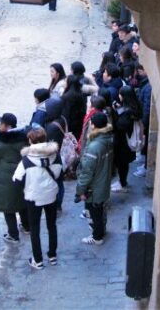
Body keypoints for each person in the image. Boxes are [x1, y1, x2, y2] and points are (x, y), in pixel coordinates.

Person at [13, 128, 62, 269]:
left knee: (35, 229)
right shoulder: (56, 156)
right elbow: (58, 174)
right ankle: (52, 255)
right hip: (51, 196)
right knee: (52, 225)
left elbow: (17, 180)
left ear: (30, 141)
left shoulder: (26, 161)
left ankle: (38, 260)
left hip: (33, 198)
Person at [0, 113, 29, 242]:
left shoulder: (4, 145)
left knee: (8, 208)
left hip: (6, 182)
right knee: (21, 203)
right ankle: (27, 226)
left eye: (1, 124)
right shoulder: (22, 139)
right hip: (20, 179)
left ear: (6, 126)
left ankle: (13, 234)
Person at [75, 112, 114, 245]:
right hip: (103, 181)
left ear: (94, 125)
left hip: (95, 185)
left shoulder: (94, 146)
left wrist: (80, 189)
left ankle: (97, 237)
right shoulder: (108, 138)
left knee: (95, 211)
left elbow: (87, 172)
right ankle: (101, 230)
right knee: (100, 209)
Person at [112, 86, 141, 192]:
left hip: (123, 142)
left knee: (122, 163)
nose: (119, 95)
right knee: (124, 163)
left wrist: (116, 112)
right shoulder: (134, 107)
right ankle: (122, 181)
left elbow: (120, 126)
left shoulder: (128, 112)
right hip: (127, 140)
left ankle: (122, 182)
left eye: (120, 94)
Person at [134, 65, 153, 178]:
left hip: (145, 120)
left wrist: (144, 124)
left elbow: (146, 107)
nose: (139, 73)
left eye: (140, 71)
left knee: (146, 144)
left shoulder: (148, 87)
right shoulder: (147, 85)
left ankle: (146, 166)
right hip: (145, 119)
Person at [61, 75, 87, 143]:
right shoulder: (81, 94)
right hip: (79, 123)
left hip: (69, 125)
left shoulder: (66, 97)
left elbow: (65, 114)